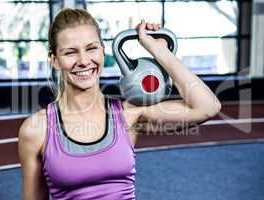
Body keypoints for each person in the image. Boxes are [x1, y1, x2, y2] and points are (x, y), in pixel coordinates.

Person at [18, 8, 221, 200]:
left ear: (102, 51)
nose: (83, 60)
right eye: (70, 52)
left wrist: (158, 50)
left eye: (91, 48)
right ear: (54, 60)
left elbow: (207, 107)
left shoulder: (129, 115)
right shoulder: (36, 130)